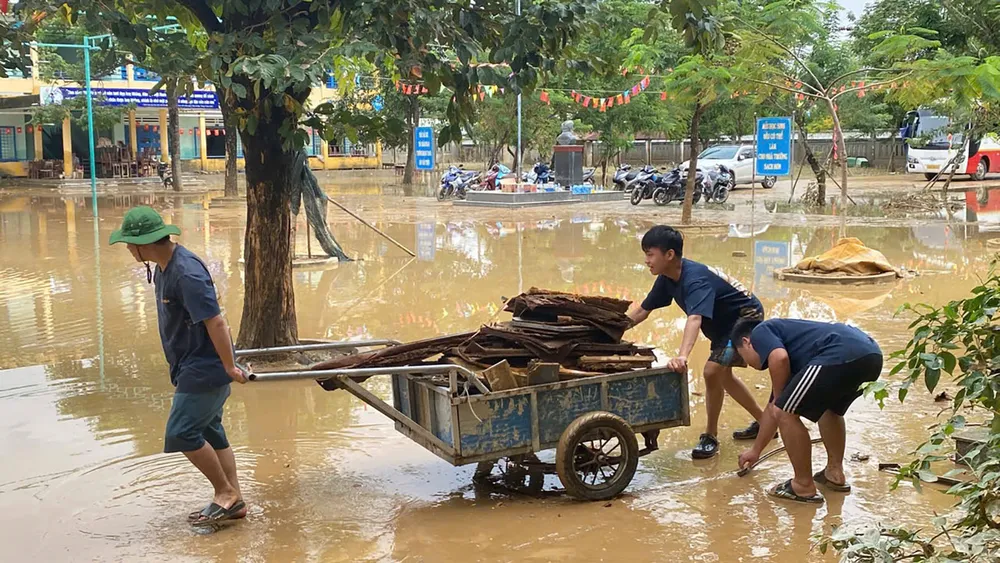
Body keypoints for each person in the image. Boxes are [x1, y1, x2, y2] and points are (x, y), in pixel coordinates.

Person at [110, 206, 248, 526]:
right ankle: (234, 499)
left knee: (181, 433)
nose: (129, 249)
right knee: (211, 430)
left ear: (146, 243)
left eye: (131, 243)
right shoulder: (163, 267)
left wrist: (229, 367)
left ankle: (225, 494)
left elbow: (216, 322)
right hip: (192, 362)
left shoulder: (186, 272)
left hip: (204, 365)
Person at [627, 225, 768, 459]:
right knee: (722, 375)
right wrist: (611, 327)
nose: (646, 261)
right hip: (723, 325)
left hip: (745, 317)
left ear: (669, 255)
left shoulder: (694, 279)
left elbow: (695, 318)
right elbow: (643, 310)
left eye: (650, 254)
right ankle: (765, 423)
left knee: (712, 371)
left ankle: (710, 436)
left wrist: (682, 356)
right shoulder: (667, 278)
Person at [732, 318, 883, 504]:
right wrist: (755, 451)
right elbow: (773, 408)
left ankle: (802, 486)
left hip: (840, 352)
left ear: (746, 342)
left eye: (741, 356)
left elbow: (779, 361)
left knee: (785, 412)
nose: (746, 364)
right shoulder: (796, 350)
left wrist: (781, 406)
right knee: (831, 410)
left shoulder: (761, 331)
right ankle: (834, 474)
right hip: (871, 355)